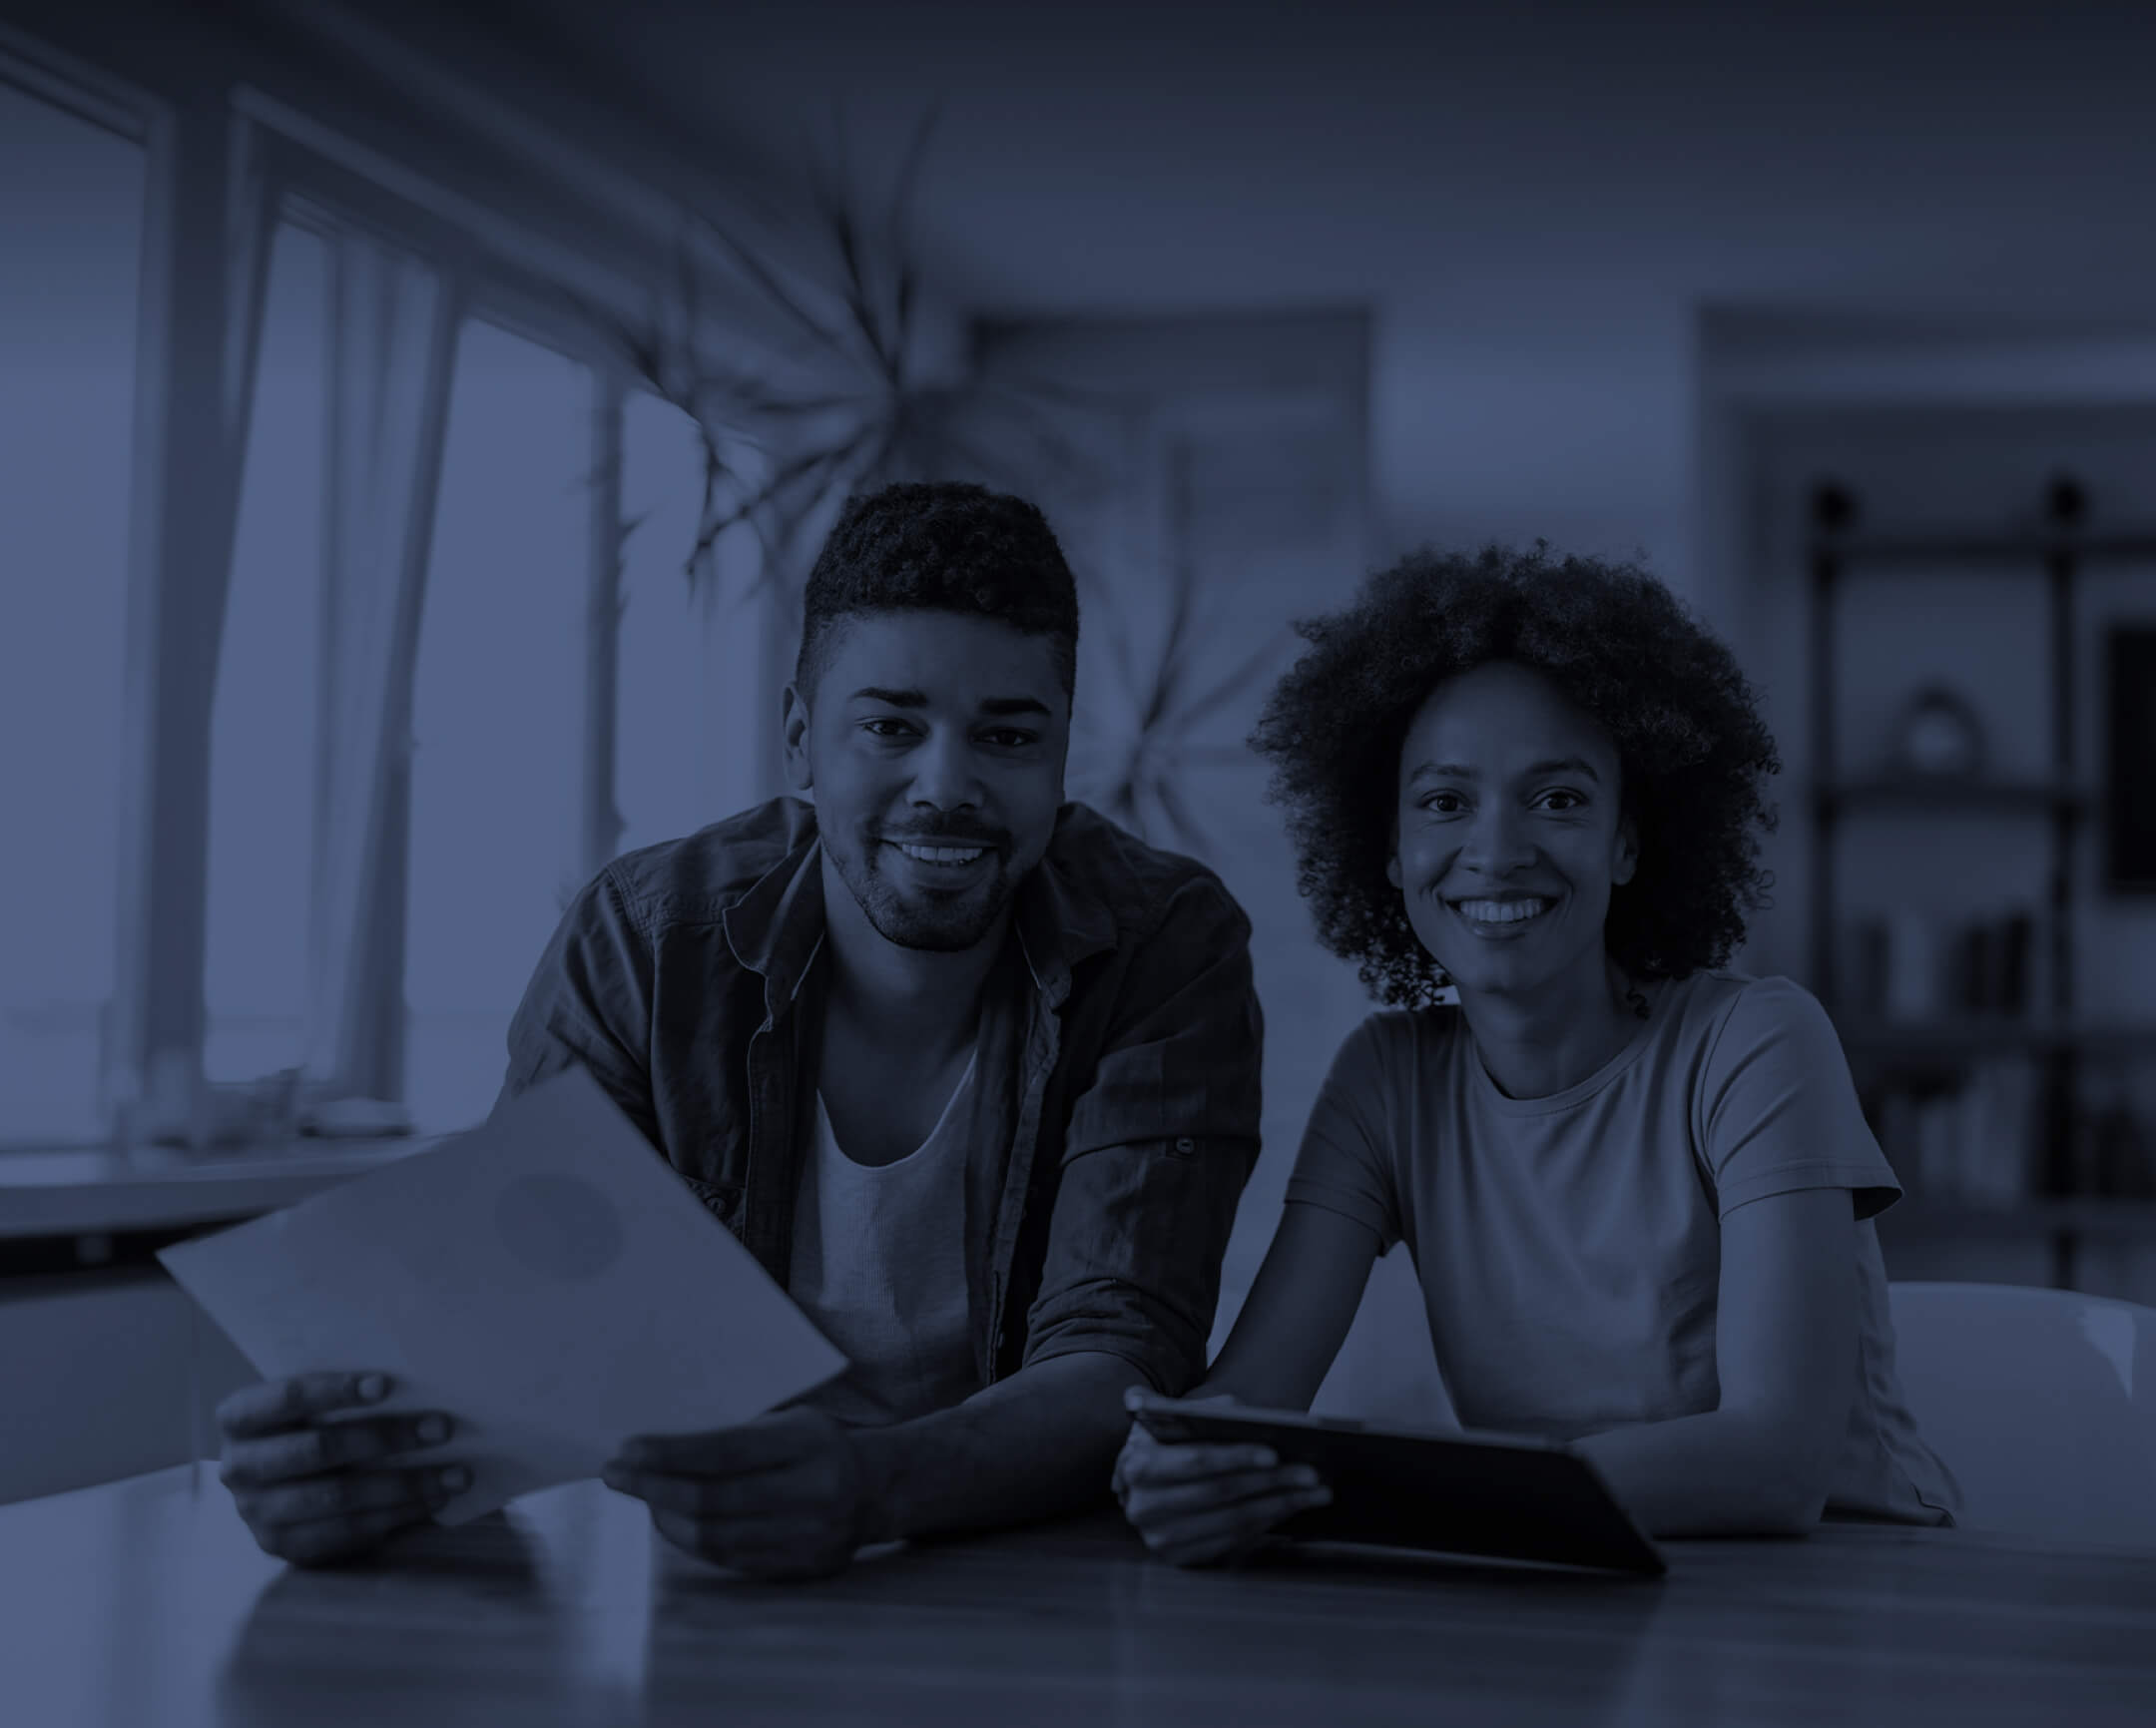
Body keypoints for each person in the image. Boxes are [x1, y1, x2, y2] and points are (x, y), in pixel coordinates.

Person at [217, 481, 1264, 1573]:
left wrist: (869, 1486)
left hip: (1030, 1563)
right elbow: (514, 1328)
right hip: (700, 1563)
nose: (946, 785)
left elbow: (1119, 1359)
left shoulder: (1163, 944)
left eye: (1006, 734)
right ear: (802, 741)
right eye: (891, 726)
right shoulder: (646, 938)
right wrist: (362, 1471)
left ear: (1059, 759)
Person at [1114, 540, 1962, 1568]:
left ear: (1628, 842)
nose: (1498, 848)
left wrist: (1384, 1495)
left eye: (1558, 799)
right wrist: (1180, 1463)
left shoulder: (1755, 1044)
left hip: (1852, 1598)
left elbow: (1776, 1465)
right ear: (1390, 852)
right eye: (1444, 802)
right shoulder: (1387, 1081)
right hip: (1569, 1579)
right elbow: (1252, 1398)